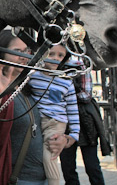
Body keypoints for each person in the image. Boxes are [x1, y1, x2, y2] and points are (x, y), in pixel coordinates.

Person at [0, 30, 71, 185]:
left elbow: (42, 125)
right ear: (0, 54)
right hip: (17, 179)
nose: (24, 56)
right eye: (17, 51)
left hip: (42, 177)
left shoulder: (26, 86)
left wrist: (63, 140)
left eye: (26, 51)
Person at [28, 44, 79, 185]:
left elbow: (73, 109)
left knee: (49, 157)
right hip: (36, 121)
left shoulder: (66, 81)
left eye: (60, 55)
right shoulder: (33, 75)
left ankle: (54, 182)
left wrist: (74, 135)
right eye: (51, 54)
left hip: (56, 124)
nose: (55, 58)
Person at [59, 67, 111, 185]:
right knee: (67, 167)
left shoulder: (81, 67)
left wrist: (66, 92)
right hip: (64, 120)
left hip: (85, 121)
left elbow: (86, 96)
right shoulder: (56, 66)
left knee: (92, 165)